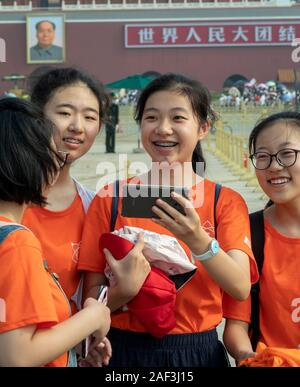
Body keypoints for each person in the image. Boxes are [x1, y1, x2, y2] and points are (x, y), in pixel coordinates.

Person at [78, 73, 258, 367]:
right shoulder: (110, 198)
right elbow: (91, 294)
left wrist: (198, 240)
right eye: (151, 117)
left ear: (203, 127)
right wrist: (122, 291)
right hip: (121, 350)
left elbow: (239, 287)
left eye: (177, 118)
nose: (163, 129)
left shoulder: (224, 201)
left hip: (197, 352)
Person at [0, 97, 111, 367]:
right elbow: (17, 356)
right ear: (28, 162)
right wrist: (93, 317)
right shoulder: (17, 243)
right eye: (53, 155)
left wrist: (70, 351)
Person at [23, 67, 110, 316]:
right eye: (64, 113)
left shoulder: (93, 206)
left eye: (90, 117)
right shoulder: (8, 198)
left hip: (64, 351)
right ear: (36, 116)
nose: (77, 126)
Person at [223, 111, 300, 365]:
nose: (274, 166)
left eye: (287, 154)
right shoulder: (250, 232)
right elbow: (236, 327)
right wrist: (249, 357)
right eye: (263, 157)